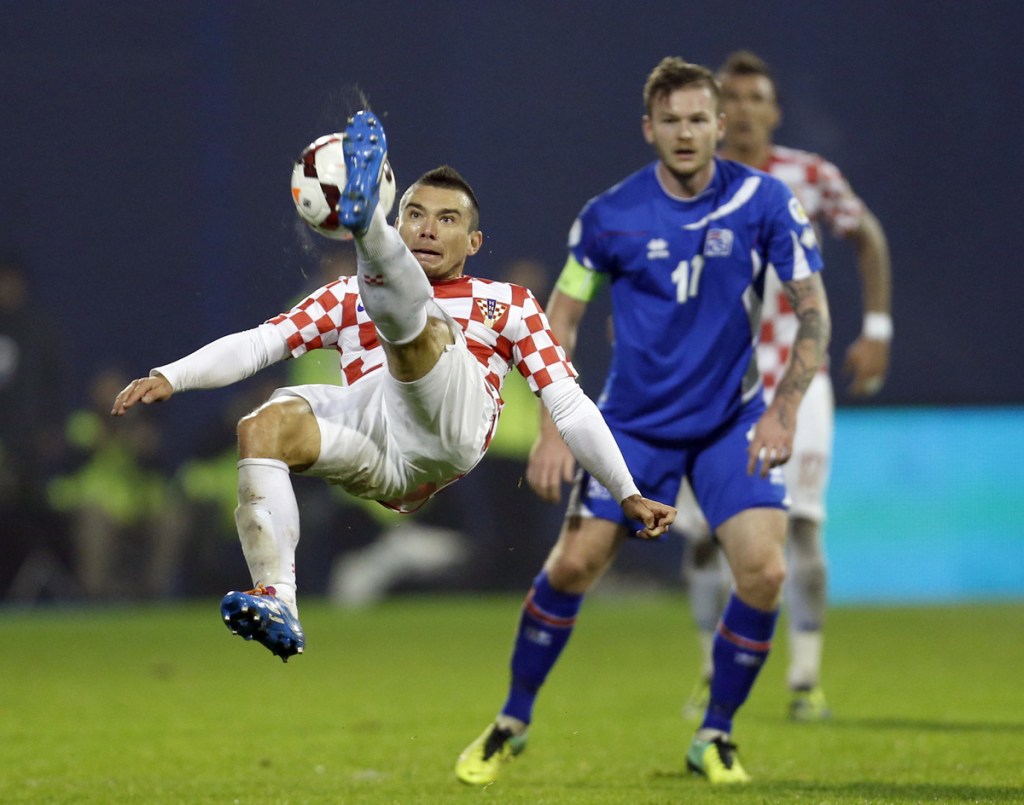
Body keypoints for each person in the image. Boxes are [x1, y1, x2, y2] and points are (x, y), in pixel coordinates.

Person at [111, 110, 675, 661]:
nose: (429, 228)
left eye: (448, 219)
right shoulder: (343, 298)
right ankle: (278, 599)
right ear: (399, 221)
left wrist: (624, 490)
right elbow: (260, 344)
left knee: (423, 328)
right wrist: (171, 375)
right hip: (379, 446)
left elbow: (568, 402)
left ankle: (366, 233)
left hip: (452, 427)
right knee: (262, 428)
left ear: (474, 242)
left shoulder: (509, 304)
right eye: (415, 215)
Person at [455, 56, 830, 786]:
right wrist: (558, 425)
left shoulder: (766, 202)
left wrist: (784, 410)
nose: (685, 133)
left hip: (730, 419)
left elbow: (811, 307)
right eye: (671, 120)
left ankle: (715, 734)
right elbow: (560, 314)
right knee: (572, 564)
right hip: (633, 424)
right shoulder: (610, 216)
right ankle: (512, 717)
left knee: (764, 570)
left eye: (698, 119)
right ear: (648, 128)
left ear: (721, 126)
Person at [679, 50, 893, 724]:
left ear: (773, 110)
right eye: (730, 98)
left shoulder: (809, 175)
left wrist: (878, 327)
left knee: (800, 528)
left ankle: (804, 679)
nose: (741, 109)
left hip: (798, 378)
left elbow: (869, 236)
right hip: (712, 384)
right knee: (704, 537)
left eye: (754, 98)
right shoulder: (686, 182)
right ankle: (712, 675)